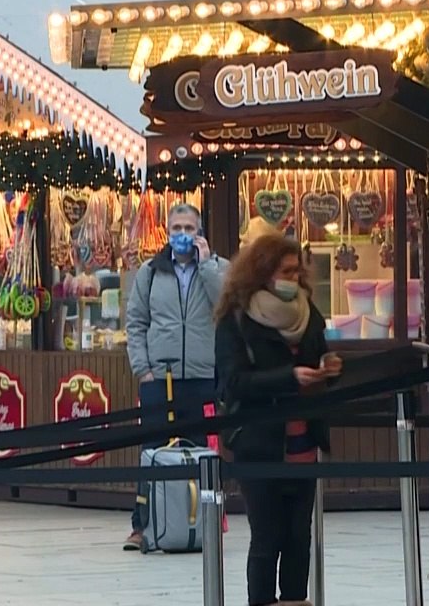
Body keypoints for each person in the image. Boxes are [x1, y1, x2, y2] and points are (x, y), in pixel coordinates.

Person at [214, 233, 341, 606]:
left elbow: (320, 357)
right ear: (264, 272)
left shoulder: (309, 313)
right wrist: (290, 377)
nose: (294, 278)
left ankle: (295, 601)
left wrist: (329, 369)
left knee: (299, 537)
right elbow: (233, 383)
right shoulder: (235, 320)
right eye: (286, 271)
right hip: (259, 444)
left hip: (304, 443)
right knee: (267, 537)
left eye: (297, 271)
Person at [123, 203, 229, 550]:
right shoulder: (150, 272)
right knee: (153, 453)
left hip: (201, 377)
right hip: (160, 378)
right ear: (168, 233)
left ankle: (200, 524)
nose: (183, 235)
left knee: (200, 454)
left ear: (199, 232)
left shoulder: (217, 268)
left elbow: (227, 308)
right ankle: (143, 526)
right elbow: (136, 323)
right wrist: (144, 369)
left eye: (189, 228)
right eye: (177, 228)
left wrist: (208, 265)